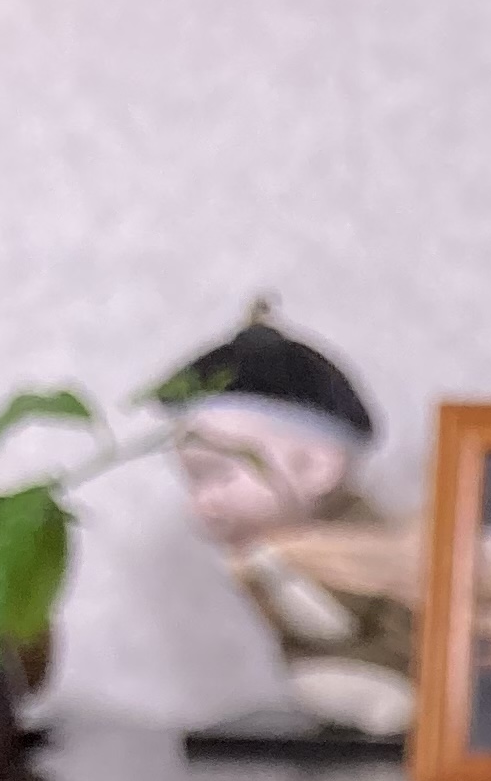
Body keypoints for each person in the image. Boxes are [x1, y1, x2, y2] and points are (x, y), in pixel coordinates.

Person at [156, 303, 420, 736]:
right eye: (192, 481)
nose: (199, 504)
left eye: (216, 474)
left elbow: (333, 625)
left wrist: (275, 573)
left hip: (385, 674)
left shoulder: (356, 539)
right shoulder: (277, 545)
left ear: (315, 466)